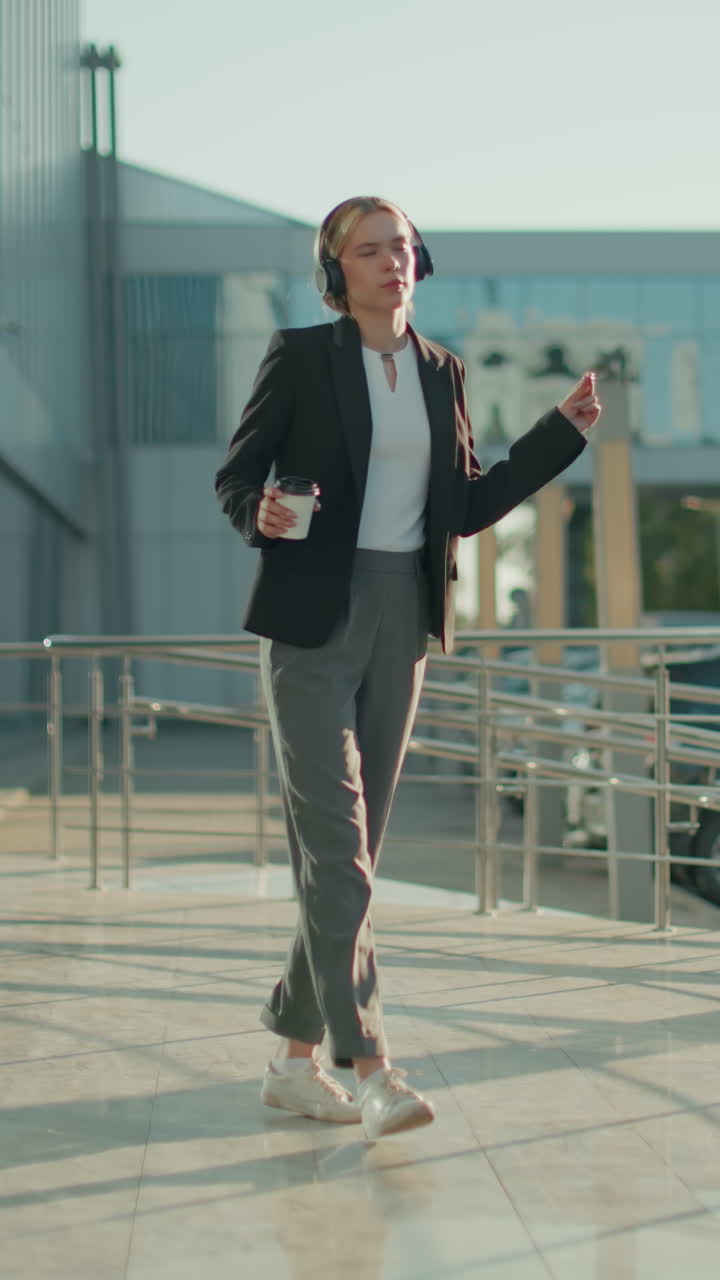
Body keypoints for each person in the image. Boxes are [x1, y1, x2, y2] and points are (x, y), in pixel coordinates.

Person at [214, 196, 601, 1139]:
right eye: (371, 250)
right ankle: (374, 1067)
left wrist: (561, 435)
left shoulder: (441, 373)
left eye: (403, 248)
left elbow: (463, 506)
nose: (394, 262)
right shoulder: (301, 356)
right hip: (311, 621)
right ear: (337, 270)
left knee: (350, 861)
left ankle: (292, 1063)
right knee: (340, 860)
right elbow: (238, 476)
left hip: (403, 622)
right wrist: (256, 511)